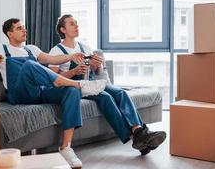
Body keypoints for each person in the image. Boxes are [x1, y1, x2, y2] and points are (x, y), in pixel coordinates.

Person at [0, 18, 108, 169]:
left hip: (39, 91)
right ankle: (79, 84)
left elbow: (53, 59)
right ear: (10, 33)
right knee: (29, 65)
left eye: (24, 27)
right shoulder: (0, 48)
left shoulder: (31, 49)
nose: (24, 30)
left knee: (71, 92)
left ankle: (66, 147)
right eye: (19, 28)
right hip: (18, 93)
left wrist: (71, 56)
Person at [49, 14, 167, 160]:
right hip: (75, 85)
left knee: (121, 93)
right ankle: (139, 138)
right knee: (107, 98)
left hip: (91, 82)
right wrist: (74, 71)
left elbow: (98, 72)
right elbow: (55, 79)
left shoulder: (84, 47)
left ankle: (138, 132)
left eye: (77, 23)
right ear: (63, 29)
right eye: (72, 24)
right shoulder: (56, 51)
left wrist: (96, 65)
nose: (76, 26)